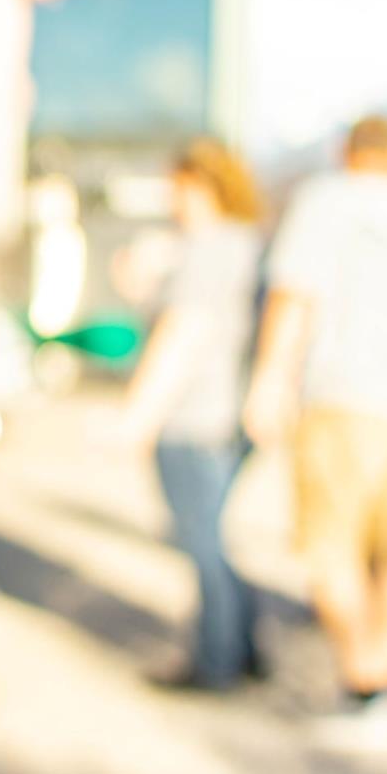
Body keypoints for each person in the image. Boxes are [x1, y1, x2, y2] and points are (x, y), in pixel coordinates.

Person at [243, 116, 387, 752]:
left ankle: (364, 681)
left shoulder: (326, 200)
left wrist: (268, 381)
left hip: (342, 396)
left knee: (328, 547)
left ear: (348, 151)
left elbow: (295, 294)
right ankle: (379, 693)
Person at [119, 140, 264, 690]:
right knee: (215, 537)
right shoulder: (243, 243)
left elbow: (182, 333)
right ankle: (242, 650)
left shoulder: (207, 248)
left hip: (195, 416)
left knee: (200, 541)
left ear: (199, 185)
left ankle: (216, 662)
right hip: (224, 415)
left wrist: (138, 415)